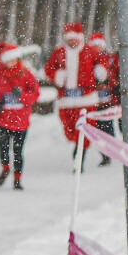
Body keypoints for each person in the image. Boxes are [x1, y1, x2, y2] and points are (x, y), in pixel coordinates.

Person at [0, 41, 40, 189]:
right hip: (3, 120)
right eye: (7, 60)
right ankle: (5, 168)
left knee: (18, 152)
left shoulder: (26, 74)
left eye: (13, 60)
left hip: (21, 121)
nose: (10, 63)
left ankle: (18, 179)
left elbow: (35, 94)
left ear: (18, 59)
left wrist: (22, 96)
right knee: (4, 150)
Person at [44, 23, 92, 161]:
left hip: (86, 100)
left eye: (75, 38)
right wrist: (57, 75)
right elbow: (49, 69)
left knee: (83, 131)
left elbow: (101, 63)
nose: (72, 41)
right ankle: (78, 148)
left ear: (80, 38)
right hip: (66, 100)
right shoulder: (59, 53)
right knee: (70, 130)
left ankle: (79, 155)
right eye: (70, 39)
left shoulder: (89, 52)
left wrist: (100, 72)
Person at [79, 32, 118, 166]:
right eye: (94, 47)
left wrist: (110, 82)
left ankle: (111, 151)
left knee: (108, 128)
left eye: (98, 46)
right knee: (96, 129)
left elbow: (116, 74)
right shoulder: (86, 59)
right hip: (93, 100)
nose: (96, 49)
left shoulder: (111, 58)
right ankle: (104, 154)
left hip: (108, 99)